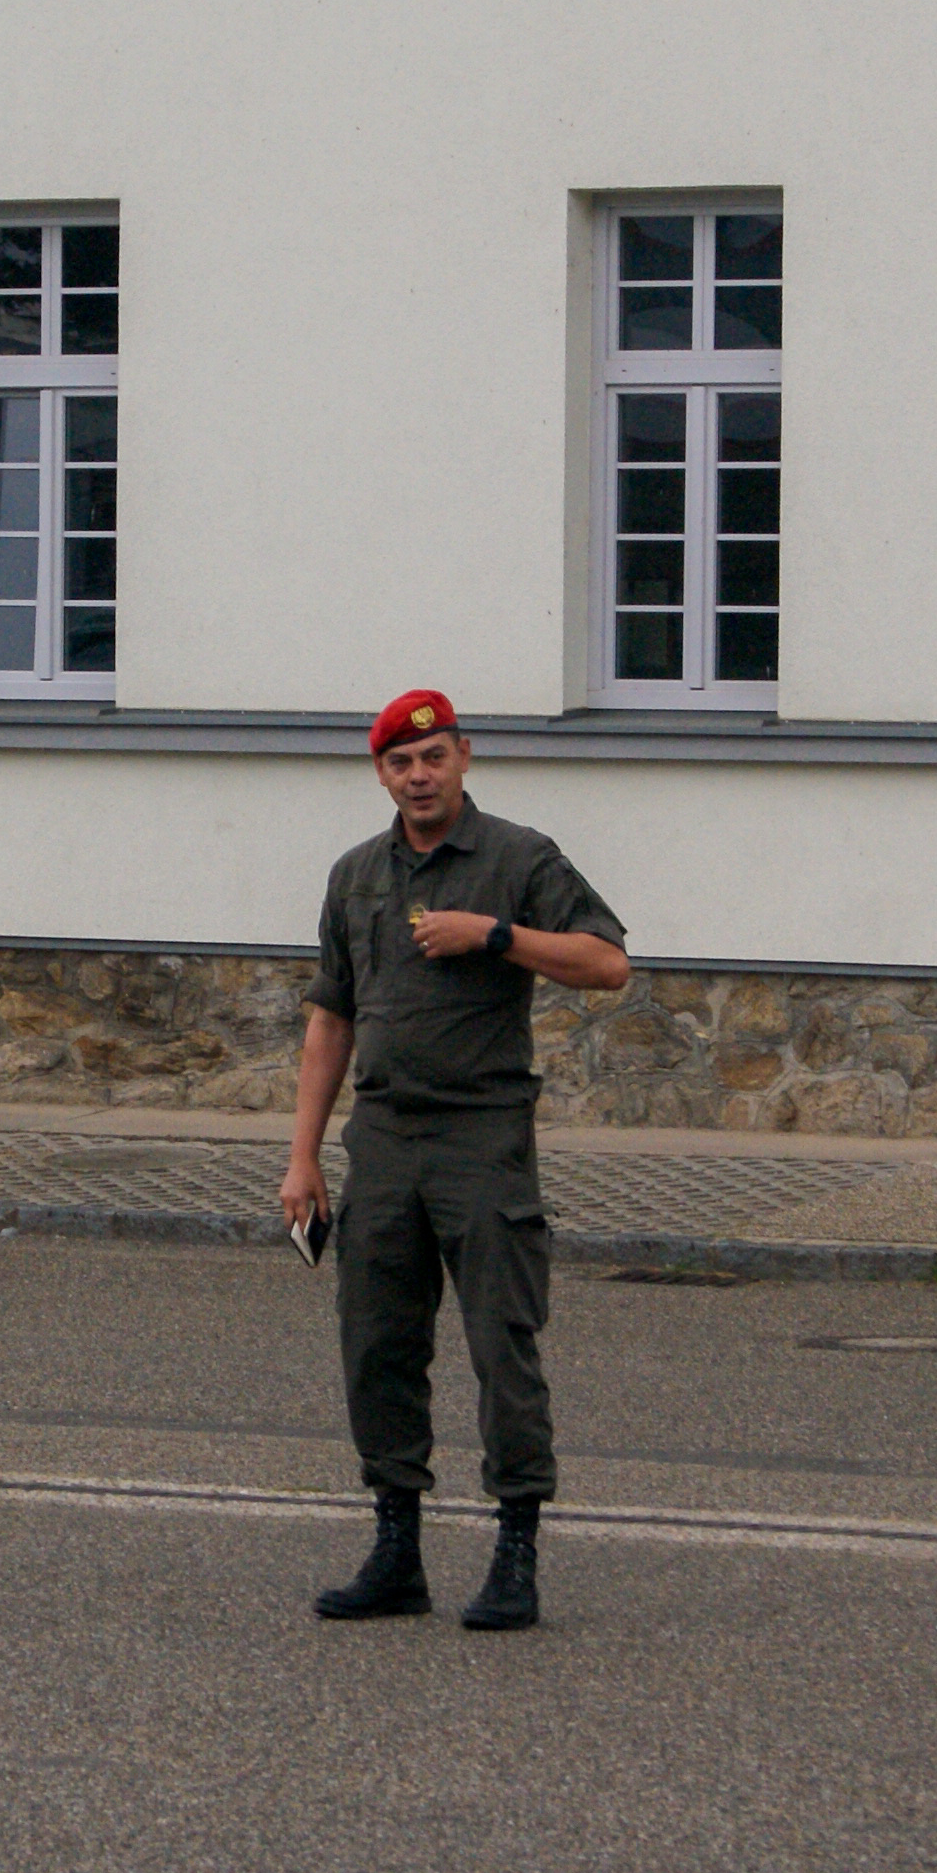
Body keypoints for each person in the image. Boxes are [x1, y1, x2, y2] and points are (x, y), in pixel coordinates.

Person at [281, 690, 631, 1631]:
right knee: (376, 1347)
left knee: (499, 1346)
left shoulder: (518, 857)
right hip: (383, 1142)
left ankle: (515, 1553)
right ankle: (397, 1551)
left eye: (433, 756)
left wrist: (496, 936)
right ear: (380, 774)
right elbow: (331, 1019)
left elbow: (608, 963)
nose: (419, 776)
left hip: (482, 1138)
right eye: (401, 763)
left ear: (464, 756)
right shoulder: (357, 875)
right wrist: (302, 1158)